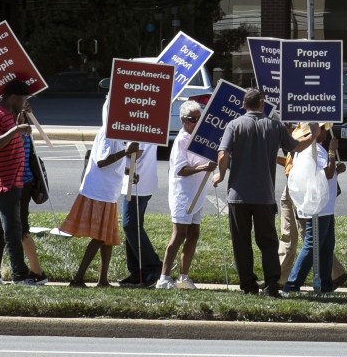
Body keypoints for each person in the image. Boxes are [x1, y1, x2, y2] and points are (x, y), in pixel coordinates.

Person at [212, 87, 307, 296]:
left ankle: (248, 285)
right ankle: (272, 284)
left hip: (238, 195)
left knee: (241, 241)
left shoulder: (234, 125)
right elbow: (295, 147)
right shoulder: (275, 126)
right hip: (264, 195)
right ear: (262, 104)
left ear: (243, 105)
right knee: (268, 242)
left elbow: (222, 154)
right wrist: (315, 135)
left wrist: (220, 175)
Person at [0, 79, 38, 286]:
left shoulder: (10, 114)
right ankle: (19, 275)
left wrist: (20, 118)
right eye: (23, 99)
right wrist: (15, 131)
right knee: (13, 229)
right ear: (13, 97)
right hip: (4, 181)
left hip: (13, 179)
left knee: (1, 228)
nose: (25, 102)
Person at [61, 100, 129, 288]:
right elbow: (102, 162)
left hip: (109, 192)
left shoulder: (117, 134)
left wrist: (129, 173)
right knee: (100, 237)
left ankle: (103, 279)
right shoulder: (108, 133)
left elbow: (112, 163)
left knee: (107, 238)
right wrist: (126, 153)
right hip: (99, 192)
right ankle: (78, 278)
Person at [158, 100, 214, 289]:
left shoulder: (200, 138)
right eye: (192, 119)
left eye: (199, 119)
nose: (196, 123)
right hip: (183, 193)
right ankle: (164, 278)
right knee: (179, 234)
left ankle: (183, 277)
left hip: (197, 193)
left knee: (194, 233)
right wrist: (203, 167)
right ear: (183, 120)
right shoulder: (182, 139)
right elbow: (181, 169)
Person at [284, 123, 343, 293]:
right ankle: (292, 285)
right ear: (316, 133)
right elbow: (327, 173)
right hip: (320, 206)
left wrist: (336, 167)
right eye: (323, 130)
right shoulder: (314, 150)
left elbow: (323, 173)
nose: (326, 133)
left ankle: (326, 285)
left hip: (325, 205)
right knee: (312, 245)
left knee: (327, 245)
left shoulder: (313, 149)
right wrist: (332, 152)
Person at [118, 140, 162, 286]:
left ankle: (152, 266)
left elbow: (135, 153)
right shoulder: (143, 123)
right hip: (140, 182)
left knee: (129, 225)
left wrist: (121, 149)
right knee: (133, 228)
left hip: (137, 183)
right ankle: (137, 272)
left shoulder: (138, 125)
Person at [19, 98, 48, 282]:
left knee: (22, 229)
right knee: (15, 229)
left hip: (22, 183)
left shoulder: (21, 129)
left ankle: (37, 272)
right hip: (23, 183)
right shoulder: (22, 124)